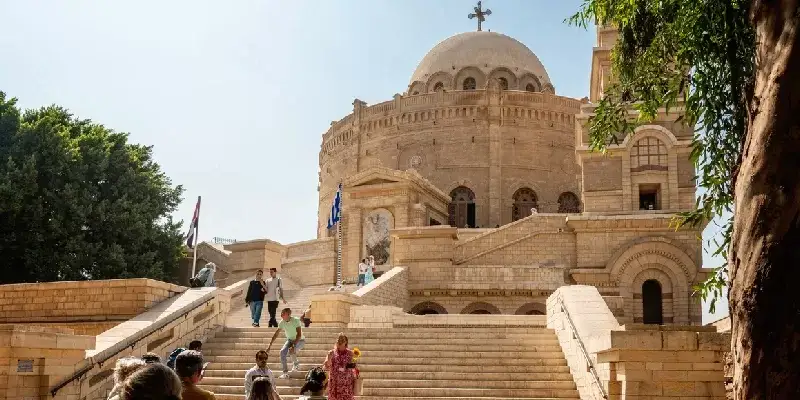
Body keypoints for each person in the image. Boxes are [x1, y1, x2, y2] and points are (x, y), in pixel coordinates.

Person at [268, 308, 305, 379]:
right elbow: (276, 334)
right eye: (281, 313)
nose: (281, 315)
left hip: (300, 340)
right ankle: (285, 373)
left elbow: (299, 335)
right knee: (282, 352)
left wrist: (294, 346)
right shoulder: (282, 322)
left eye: (283, 313)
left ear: (288, 314)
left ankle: (296, 364)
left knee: (291, 350)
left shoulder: (296, 320)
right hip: (290, 340)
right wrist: (270, 345)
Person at [323, 333, 355, 400]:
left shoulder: (350, 353)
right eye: (339, 341)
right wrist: (329, 358)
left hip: (346, 383)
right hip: (335, 383)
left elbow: (353, 366)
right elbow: (326, 366)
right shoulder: (332, 352)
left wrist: (351, 366)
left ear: (346, 342)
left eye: (342, 341)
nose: (340, 343)